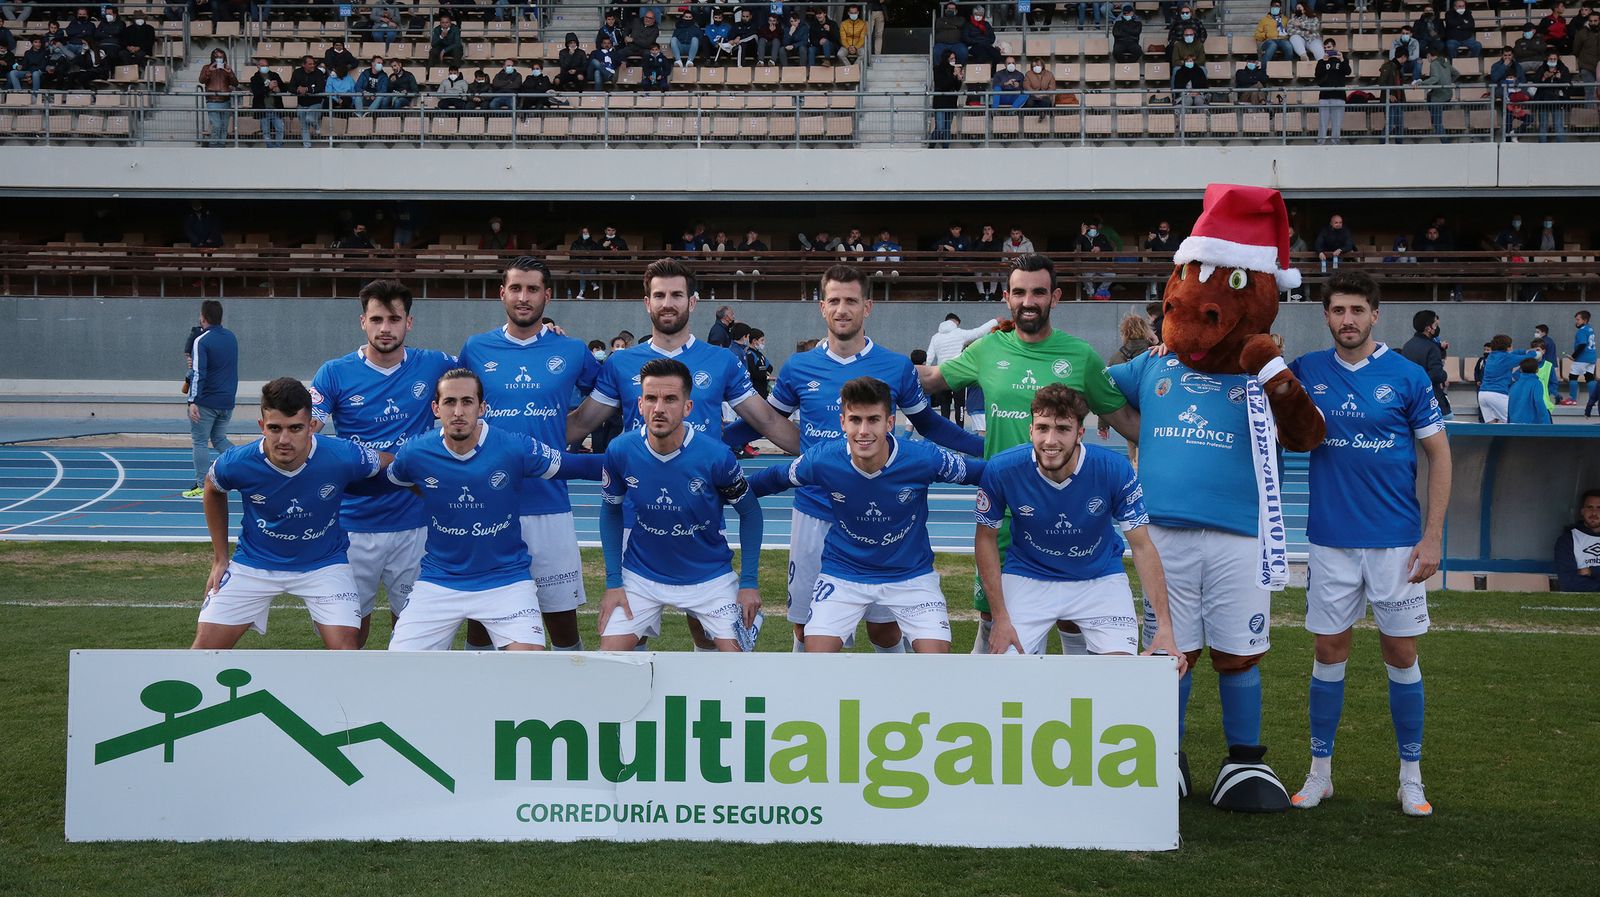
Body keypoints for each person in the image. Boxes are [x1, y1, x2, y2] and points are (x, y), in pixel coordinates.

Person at [728, 266, 985, 653]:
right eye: (834, 301)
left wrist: (986, 448)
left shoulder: (895, 366)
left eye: (851, 301)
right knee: (808, 630)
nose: (842, 309)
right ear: (821, 307)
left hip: (879, 505)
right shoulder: (799, 367)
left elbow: (929, 424)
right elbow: (760, 422)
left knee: (884, 629)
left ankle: (889, 705)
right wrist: (706, 445)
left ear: (868, 306)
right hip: (815, 509)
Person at [565, 259, 801, 647]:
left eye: (676, 294)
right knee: (628, 641)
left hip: (700, 508)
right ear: (647, 302)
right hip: (634, 515)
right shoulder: (622, 362)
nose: (668, 303)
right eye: (660, 295)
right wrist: (512, 447)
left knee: (706, 634)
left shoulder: (720, 359)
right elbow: (580, 424)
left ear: (692, 302)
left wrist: (825, 456)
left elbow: (769, 423)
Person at [1286, 271, 1450, 817]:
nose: (1348, 320)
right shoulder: (1306, 370)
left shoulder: (1406, 376)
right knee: (1328, 651)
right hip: (1331, 542)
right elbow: (1243, 377)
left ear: (1375, 314)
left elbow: (1440, 457)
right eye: (1338, 311)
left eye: (1357, 310)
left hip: (1397, 544)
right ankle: (1319, 773)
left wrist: (1432, 537)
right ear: (1326, 315)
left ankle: (1410, 777)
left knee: (1400, 652)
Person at [919, 254, 1139, 655]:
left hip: (1067, 511)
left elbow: (1125, 418)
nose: (1028, 301)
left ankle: (1074, 702)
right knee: (994, 622)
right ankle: (989, 708)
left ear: (1055, 297)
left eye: (1038, 292)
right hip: (1004, 513)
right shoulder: (987, 349)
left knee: (1074, 614)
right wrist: (873, 360)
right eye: (1019, 292)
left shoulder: (1080, 355)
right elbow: (932, 379)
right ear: (1007, 297)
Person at [749, 376, 985, 654]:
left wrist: (1032, 473)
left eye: (873, 420)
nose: (863, 430)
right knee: (815, 658)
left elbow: (981, 473)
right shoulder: (823, 459)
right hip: (844, 573)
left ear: (889, 422)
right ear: (842, 423)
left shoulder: (923, 458)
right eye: (855, 420)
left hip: (911, 576)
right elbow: (775, 478)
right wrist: (723, 492)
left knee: (936, 661)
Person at [384, 370, 603, 652]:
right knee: (399, 665)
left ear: (483, 407)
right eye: (450, 402)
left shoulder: (513, 447)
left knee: (529, 663)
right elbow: (382, 481)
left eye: (467, 401)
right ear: (436, 408)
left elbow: (579, 466)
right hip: (440, 581)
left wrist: (636, 458)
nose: (459, 411)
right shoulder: (416, 452)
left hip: (506, 581)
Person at [977, 384, 1182, 665]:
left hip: (1099, 578)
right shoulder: (1003, 469)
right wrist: (999, 617)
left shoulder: (1113, 468)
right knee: (1007, 667)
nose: (1050, 440)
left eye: (1062, 429)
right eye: (1043, 427)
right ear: (1031, 430)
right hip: (1029, 575)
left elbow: (1143, 546)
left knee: (1120, 674)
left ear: (1079, 434)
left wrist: (1165, 629)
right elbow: (985, 538)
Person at [457, 257, 602, 653]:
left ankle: (571, 702)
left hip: (549, 504)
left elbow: (608, 395)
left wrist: (572, 429)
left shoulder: (571, 350)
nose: (524, 298)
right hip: (488, 504)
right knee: (483, 620)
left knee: (561, 622)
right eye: (516, 289)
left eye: (533, 289)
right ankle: (480, 711)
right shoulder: (475, 348)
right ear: (502, 293)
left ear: (547, 296)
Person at [307, 280, 459, 648]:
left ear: (410, 322)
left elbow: (492, 373)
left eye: (394, 318)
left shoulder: (435, 365)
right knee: (346, 637)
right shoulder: (334, 372)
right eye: (377, 319)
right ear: (363, 322)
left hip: (416, 523)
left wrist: (544, 330)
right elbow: (308, 426)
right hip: (352, 525)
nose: (385, 328)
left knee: (412, 633)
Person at [192, 378, 392, 651]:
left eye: (295, 428)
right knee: (202, 650)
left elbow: (390, 464)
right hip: (254, 564)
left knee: (347, 650)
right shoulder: (237, 462)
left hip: (324, 565)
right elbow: (212, 487)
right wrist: (220, 558)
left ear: (311, 426)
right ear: (262, 426)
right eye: (275, 428)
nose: (284, 439)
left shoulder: (342, 455)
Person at [597, 358, 762, 652]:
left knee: (739, 660)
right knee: (609, 657)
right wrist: (613, 583)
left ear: (687, 407)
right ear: (640, 403)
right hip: (642, 575)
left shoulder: (716, 456)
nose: (659, 408)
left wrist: (748, 582)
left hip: (709, 577)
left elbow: (750, 511)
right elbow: (610, 509)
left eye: (670, 399)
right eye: (651, 398)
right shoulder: (621, 450)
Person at [183, 300, 238, 499]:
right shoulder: (231, 337)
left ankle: (201, 485)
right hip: (227, 399)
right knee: (219, 439)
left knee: (199, 442)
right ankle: (244, 466)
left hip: (206, 400)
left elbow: (199, 373)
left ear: (202, 317)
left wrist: (192, 400)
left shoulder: (202, 341)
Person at [926, 311, 1000, 421]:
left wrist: (927, 373)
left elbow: (929, 356)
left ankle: (945, 432)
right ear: (955, 322)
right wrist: (995, 321)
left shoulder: (935, 337)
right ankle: (960, 430)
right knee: (959, 405)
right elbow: (978, 332)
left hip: (940, 373)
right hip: (958, 373)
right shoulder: (959, 333)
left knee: (944, 407)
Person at [1401, 310, 1452, 416]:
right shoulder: (1432, 347)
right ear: (1428, 328)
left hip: (1410, 400)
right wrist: (1444, 375)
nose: (1437, 327)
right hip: (1432, 400)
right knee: (1449, 418)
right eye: (1435, 324)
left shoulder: (1407, 346)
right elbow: (1437, 374)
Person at [1553, 490, 1600, 592]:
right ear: (1582, 511)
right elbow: (1569, 583)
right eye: (1589, 507)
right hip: (1579, 604)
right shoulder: (1567, 540)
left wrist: (1592, 571)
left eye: (1599, 508)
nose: (1594, 513)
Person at [198, 49, 238, 148]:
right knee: (217, 125)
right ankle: (213, 146)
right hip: (212, 100)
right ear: (213, 58)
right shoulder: (206, 67)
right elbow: (201, 80)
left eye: (221, 57)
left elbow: (235, 83)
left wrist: (230, 73)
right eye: (217, 57)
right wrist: (209, 72)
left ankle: (221, 146)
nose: (219, 59)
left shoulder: (227, 69)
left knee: (224, 127)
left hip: (226, 100)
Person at [1313, 41, 1351, 144]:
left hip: (1339, 96)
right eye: (1325, 48)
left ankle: (1335, 143)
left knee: (1337, 123)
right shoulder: (1321, 62)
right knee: (1322, 123)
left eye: (1329, 47)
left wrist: (1342, 59)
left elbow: (1348, 71)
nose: (1327, 50)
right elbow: (1317, 76)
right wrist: (1324, 61)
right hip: (1324, 96)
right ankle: (1320, 143)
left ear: (1334, 47)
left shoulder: (1343, 60)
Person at [1477, 334, 1521, 423]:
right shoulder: (1507, 357)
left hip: (1482, 394)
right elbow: (1526, 358)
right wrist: (1536, 353)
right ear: (1508, 347)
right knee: (1512, 421)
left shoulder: (1491, 356)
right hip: (1498, 393)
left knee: (1491, 424)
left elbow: (1514, 354)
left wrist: (1524, 351)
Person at [1533, 51, 1572, 142]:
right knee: (1543, 125)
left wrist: (1560, 78)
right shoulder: (1542, 68)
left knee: (1558, 125)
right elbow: (1535, 81)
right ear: (1547, 59)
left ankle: (1560, 148)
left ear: (1558, 59)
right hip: (1543, 100)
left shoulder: (1563, 69)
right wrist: (1544, 77)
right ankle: (1542, 148)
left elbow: (1567, 83)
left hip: (1557, 100)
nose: (1552, 60)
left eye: (1554, 59)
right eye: (1551, 59)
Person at [288, 55, 326, 147]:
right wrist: (298, 90)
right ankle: (307, 146)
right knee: (303, 126)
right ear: (303, 65)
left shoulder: (319, 73)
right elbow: (290, 87)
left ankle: (317, 126)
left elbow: (321, 88)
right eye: (310, 64)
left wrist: (307, 89)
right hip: (302, 103)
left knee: (309, 118)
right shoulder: (297, 72)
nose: (312, 65)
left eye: (313, 64)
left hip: (316, 102)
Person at [1508, 356, 1553, 424]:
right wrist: (1546, 422)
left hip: (1514, 423)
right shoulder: (1536, 383)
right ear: (1537, 370)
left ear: (1520, 370)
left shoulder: (1514, 385)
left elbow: (1510, 405)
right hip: (1531, 425)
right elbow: (1539, 401)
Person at [1568, 310, 1596, 404]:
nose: (1576, 322)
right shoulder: (1590, 329)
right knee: (1589, 377)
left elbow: (1582, 344)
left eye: (1578, 320)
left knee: (1572, 376)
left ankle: (1572, 399)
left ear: (1585, 320)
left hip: (1582, 358)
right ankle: (1593, 400)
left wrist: (1573, 356)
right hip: (1592, 358)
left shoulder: (1581, 331)